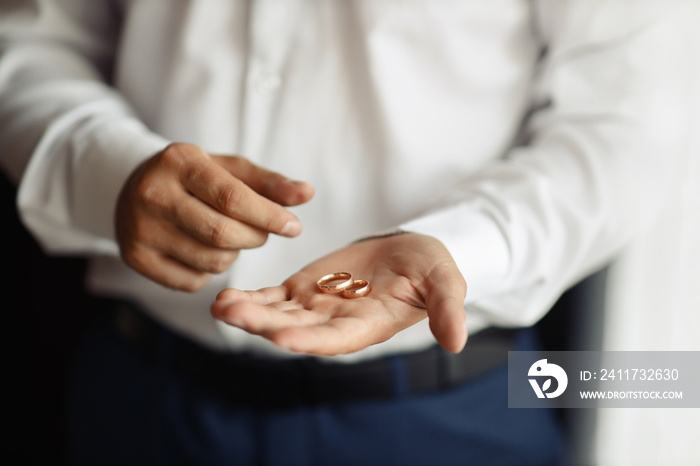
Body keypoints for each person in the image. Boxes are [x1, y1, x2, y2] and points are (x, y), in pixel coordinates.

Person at [0, 1, 695, 465]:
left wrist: (457, 248)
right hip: (138, 399)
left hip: (445, 420)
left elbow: (625, 124)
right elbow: (32, 38)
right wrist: (105, 169)